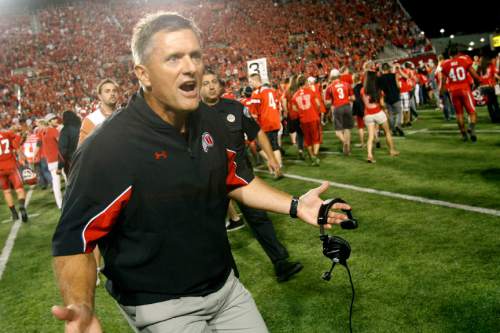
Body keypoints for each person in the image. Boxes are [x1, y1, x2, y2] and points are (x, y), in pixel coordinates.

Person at [51, 12, 350, 333]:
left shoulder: (209, 120)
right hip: (160, 304)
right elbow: (74, 238)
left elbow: (235, 179)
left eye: (195, 55)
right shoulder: (109, 147)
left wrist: (295, 205)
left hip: (225, 286)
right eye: (173, 58)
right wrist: (81, 305)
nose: (190, 66)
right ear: (143, 74)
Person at [201, 69, 303, 282]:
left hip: (241, 176)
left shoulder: (235, 108)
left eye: (213, 82)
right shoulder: (192, 114)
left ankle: (281, 263)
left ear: (220, 85)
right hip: (211, 181)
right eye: (205, 83)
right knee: (213, 231)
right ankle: (228, 278)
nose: (210, 86)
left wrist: (272, 158)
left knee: (260, 219)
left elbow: (256, 132)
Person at [440, 47, 481, 141]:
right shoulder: (464, 59)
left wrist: (441, 92)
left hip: (453, 91)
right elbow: (474, 75)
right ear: (458, 53)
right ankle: (471, 128)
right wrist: (477, 83)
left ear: (449, 54)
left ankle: (464, 135)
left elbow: (443, 81)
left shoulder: (445, 64)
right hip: (465, 89)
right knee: (471, 111)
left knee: (459, 114)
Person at [362, 71, 399, 163]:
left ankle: (369, 155)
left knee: (370, 136)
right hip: (378, 113)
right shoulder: (378, 90)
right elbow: (382, 103)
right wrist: (385, 110)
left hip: (368, 114)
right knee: (387, 132)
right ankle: (392, 150)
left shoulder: (362, 90)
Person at [248, 73, 283, 171]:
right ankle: (278, 166)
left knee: (260, 147)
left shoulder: (256, 93)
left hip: (265, 122)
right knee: (274, 145)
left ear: (256, 81)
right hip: (275, 120)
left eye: (251, 81)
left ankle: (275, 164)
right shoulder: (271, 90)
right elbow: (278, 105)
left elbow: (254, 114)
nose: (250, 84)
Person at [291, 75, 322, 166]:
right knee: (316, 139)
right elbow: (318, 104)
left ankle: (311, 155)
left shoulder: (295, 95)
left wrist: (301, 111)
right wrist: (314, 110)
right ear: (305, 82)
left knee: (308, 140)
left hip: (303, 119)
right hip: (313, 117)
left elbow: (293, 108)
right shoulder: (310, 91)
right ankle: (315, 156)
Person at [78, 78, 119, 145]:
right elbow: (81, 152)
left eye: (114, 91)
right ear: (100, 96)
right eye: (107, 91)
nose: (112, 94)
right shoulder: (91, 120)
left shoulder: (125, 115)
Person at [0, 128, 28, 222]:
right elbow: (17, 142)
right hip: (11, 165)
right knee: (19, 189)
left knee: (6, 191)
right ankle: (21, 206)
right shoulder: (7, 133)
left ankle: (14, 213)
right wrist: (21, 156)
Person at [325, 69, 354, 155]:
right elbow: (353, 98)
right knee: (347, 129)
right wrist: (345, 98)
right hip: (347, 107)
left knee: (338, 131)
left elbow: (327, 103)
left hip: (337, 107)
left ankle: (344, 142)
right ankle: (347, 149)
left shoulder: (329, 87)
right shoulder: (346, 84)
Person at [40, 113, 62, 209]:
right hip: (59, 160)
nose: (56, 120)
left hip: (50, 161)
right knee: (70, 180)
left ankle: (60, 204)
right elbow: (61, 144)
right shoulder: (53, 130)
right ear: (49, 122)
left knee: (56, 183)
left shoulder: (44, 131)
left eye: (55, 118)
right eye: (53, 119)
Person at [377, 63, 404, 137]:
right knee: (399, 113)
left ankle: (393, 129)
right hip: (395, 96)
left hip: (387, 98)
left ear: (382, 69)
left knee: (390, 115)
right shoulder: (394, 75)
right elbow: (398, 85)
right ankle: (397, 125)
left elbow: (380, 90)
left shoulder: (380, 78)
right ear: (388, 69)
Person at [58, 111, 81, 176]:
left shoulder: (65, 130)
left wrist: (60, 166)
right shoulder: (81, 126)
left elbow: (62, 150)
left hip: (71, 162)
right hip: (85, 158)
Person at [478, 55, 500, 123]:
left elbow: (478, 77)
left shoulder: (480, 67)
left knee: (489, 104)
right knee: (495, 103)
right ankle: (498, 117)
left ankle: (493, 118)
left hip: (483, 87)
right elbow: (496, 75)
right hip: (490, 86)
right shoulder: (491, 65)